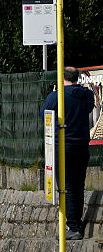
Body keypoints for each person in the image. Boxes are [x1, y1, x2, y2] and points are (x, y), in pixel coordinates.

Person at [41, 66, 96, 240]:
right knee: (78, 186)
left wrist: (55, 93)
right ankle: (75, 223)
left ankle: (73, 227)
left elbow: (45, 116)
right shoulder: (86, 95)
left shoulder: (55, 97)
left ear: (61, 77)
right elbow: (87, 108)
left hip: (63, 147)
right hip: (82, 146)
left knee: (67, 188)